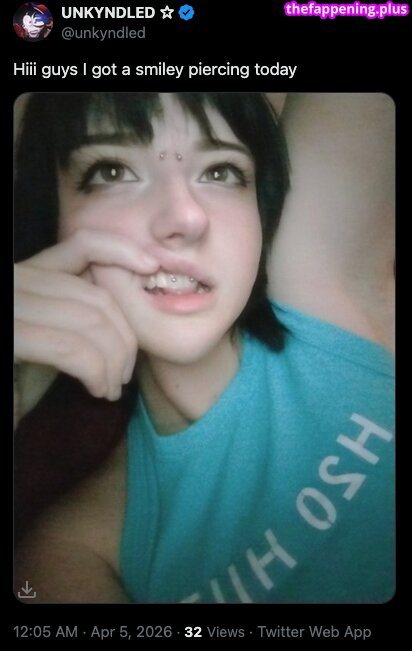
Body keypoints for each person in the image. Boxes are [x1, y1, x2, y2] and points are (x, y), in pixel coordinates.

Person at [14, 92, 395, 604]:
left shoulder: (323, 288)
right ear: (51, 218)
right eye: (111, 171)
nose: (185, 218)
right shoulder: (70, 551)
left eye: (220, 171)